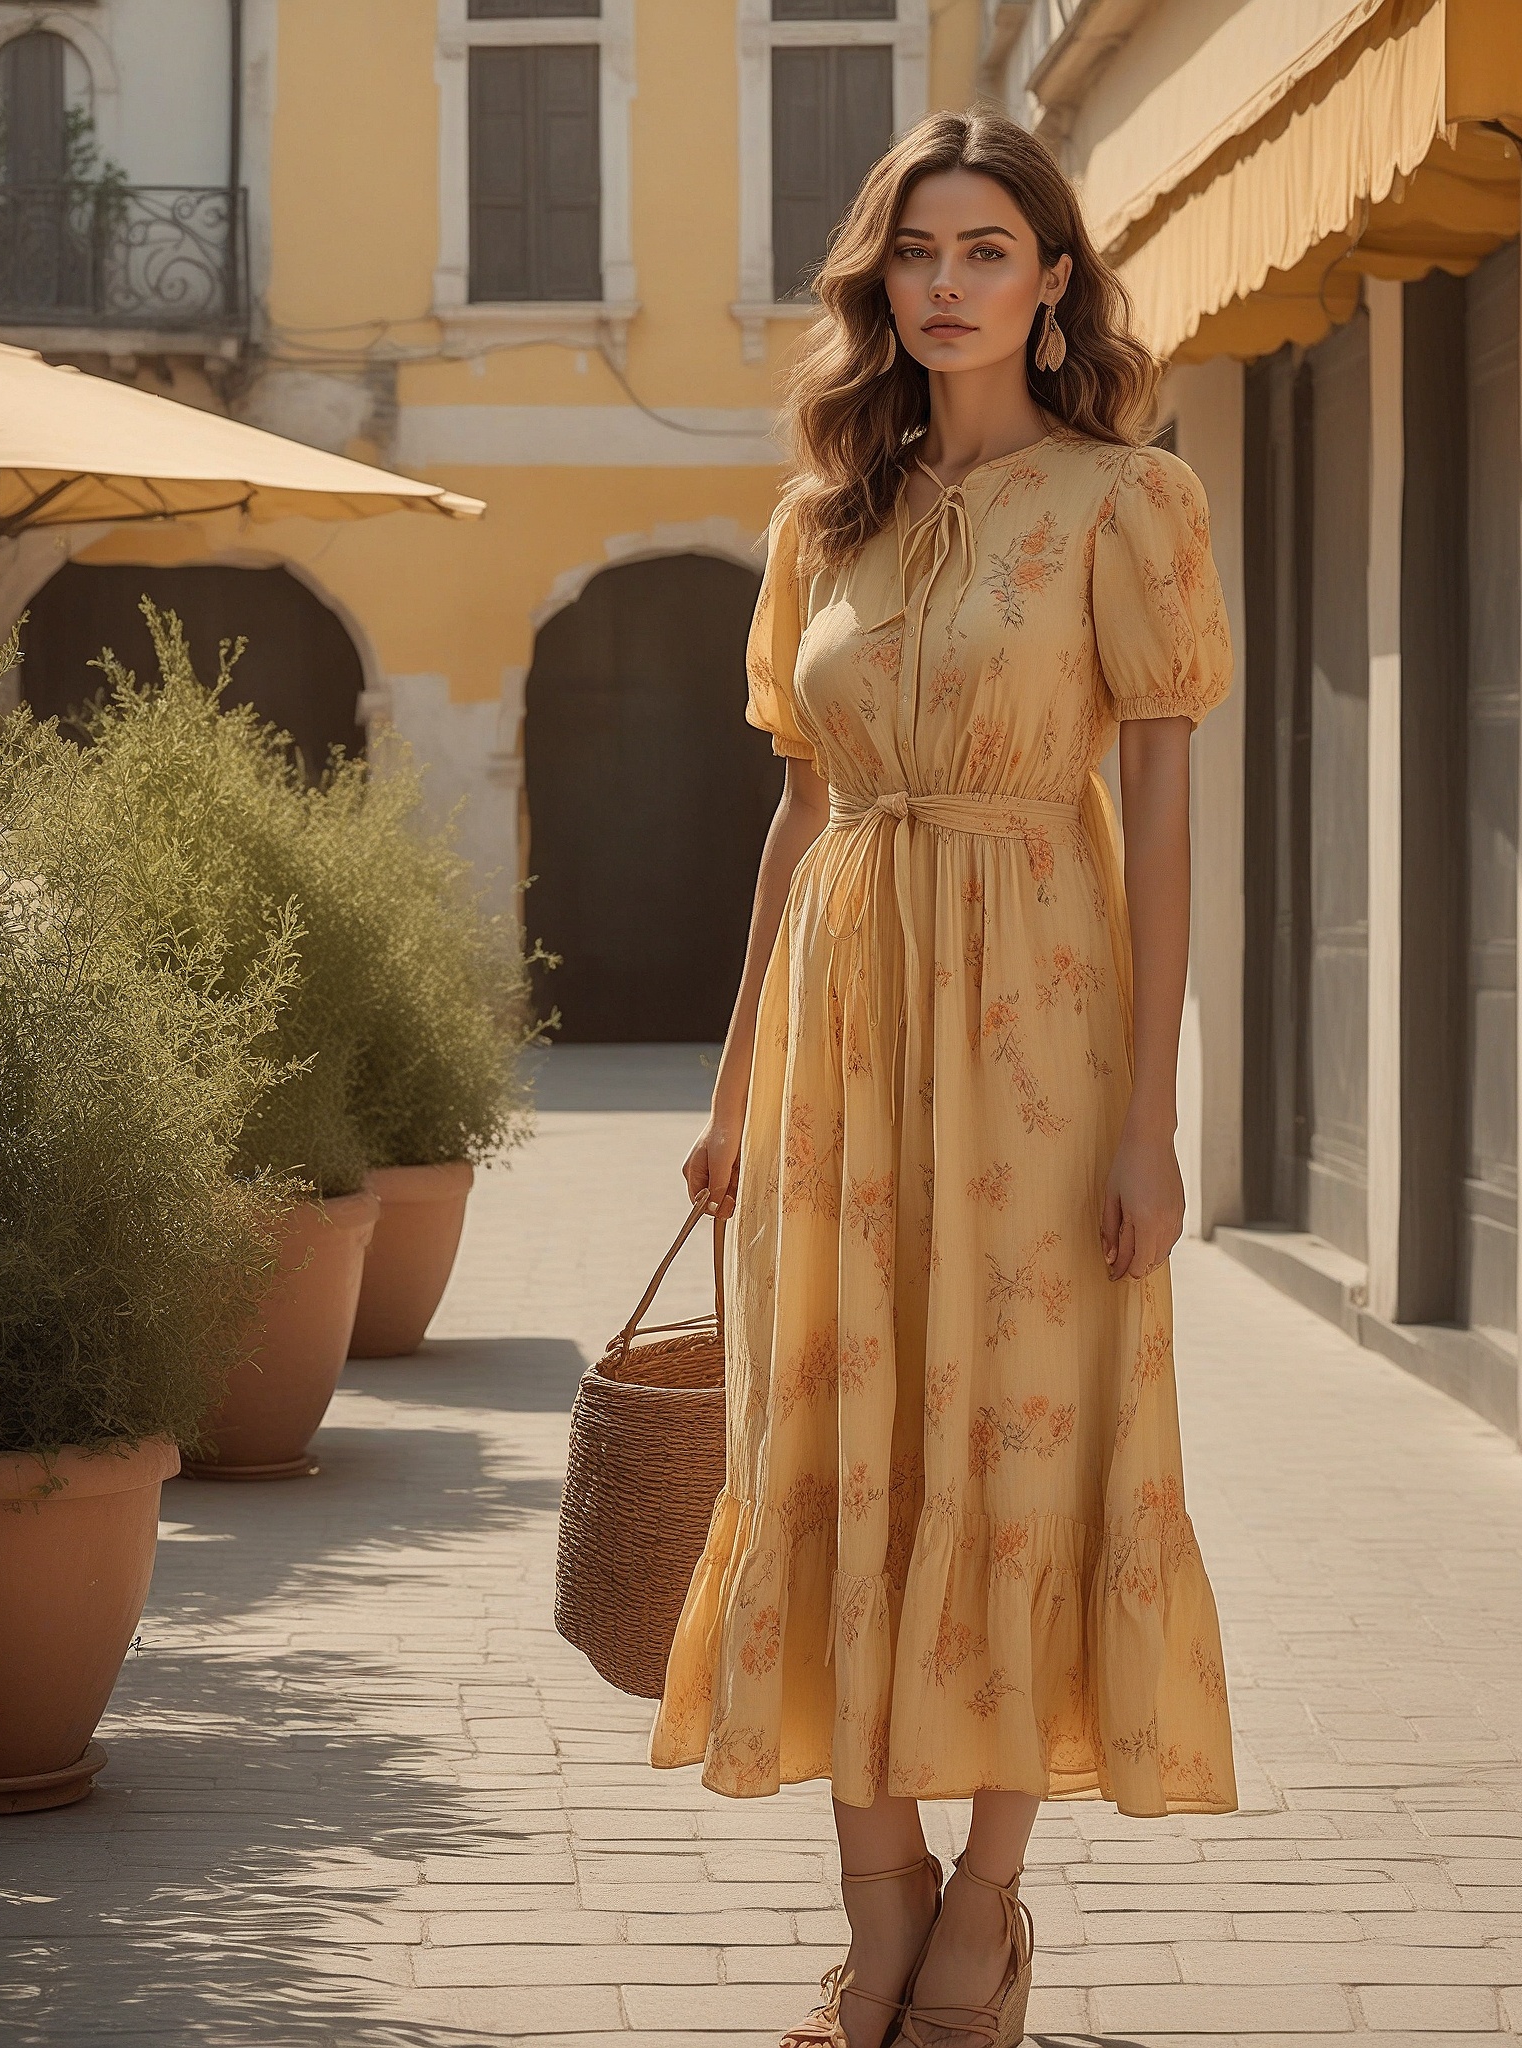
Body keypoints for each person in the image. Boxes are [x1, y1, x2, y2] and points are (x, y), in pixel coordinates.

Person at [651, 107, 1238, 2048]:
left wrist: (1152, 1112)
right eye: (919, 252)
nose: (950, 284)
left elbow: (1160, 814)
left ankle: (987, 1902)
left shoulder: (1124, 503)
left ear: (1052, 280)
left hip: (1042, 1032)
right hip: (845, 1032)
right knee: (836, 1432)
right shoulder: (819, 519)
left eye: (990, 250)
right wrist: (735, 1085)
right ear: (877, 283)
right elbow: (793, 812)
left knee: (1015, 1435)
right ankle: (871, 1895)